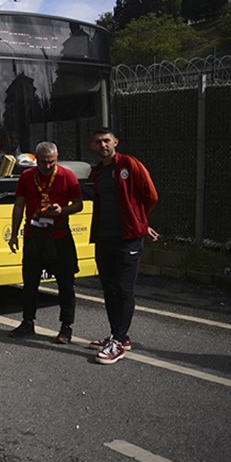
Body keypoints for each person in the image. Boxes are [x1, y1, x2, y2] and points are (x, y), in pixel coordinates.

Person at [88, 128, 158, 365]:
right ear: (93, 146)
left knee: (123, 288)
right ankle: (117, 334)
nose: (103, 145)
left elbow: (150, 195)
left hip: (128, 239)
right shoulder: (97, 172)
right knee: (109, 288)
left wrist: (139, 222)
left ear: (115, 142)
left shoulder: (129, 163)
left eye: (107, 140)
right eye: (98, 142)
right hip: (104, 237)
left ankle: (117, 342)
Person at [7, 142, 84, 344]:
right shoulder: (26, 177)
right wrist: (14, 234)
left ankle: (66, 326)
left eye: (51, 162)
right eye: (43, 162)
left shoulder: (67, 176)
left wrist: (63, 210)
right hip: (34, 236)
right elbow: (19, 205)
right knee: (30, 282)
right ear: (36, 160)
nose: (47, 166)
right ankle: (27, 322)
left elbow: (78, 204)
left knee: (65, 284)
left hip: (59, 237)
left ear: (56, 158)